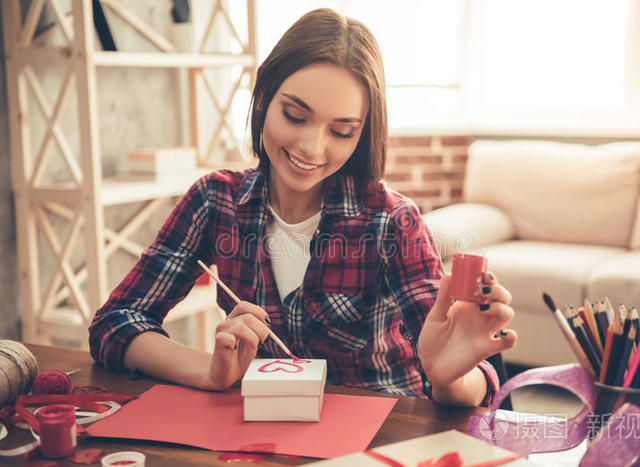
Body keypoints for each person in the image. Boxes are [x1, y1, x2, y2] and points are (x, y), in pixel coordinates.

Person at [89, 8, 516, 407]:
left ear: (363, 134)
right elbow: (115, 323)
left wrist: (449, 378)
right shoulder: (214, 201)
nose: (312, 148)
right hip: (264, 425)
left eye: (342, 131)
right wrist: (207, 370)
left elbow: (461, 375)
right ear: (262, 99)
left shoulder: (391, 221)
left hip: (381, 431)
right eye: (295, 116)